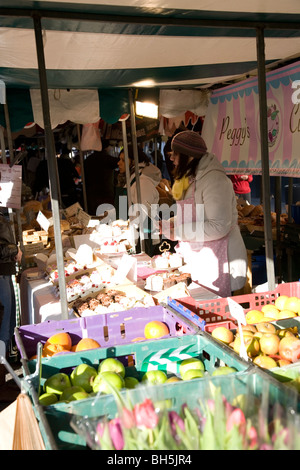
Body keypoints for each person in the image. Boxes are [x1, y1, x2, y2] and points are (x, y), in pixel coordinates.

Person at [160, 130, 247, 297]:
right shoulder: (189, 177)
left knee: (216, 313)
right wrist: (172, 222)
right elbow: (194, 212)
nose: (171, 159)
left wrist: (178, 232)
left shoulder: (214, 180)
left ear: (189, 156)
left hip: (220, 260)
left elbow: (218, 226)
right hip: (200, 256)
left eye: (176, 154)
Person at [116, 145, 162, 256]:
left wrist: (133, 238)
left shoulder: (142, 181)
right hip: (131, 235)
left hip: (143, 238)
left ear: (133, 161)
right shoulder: (131, 179)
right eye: (119, 159)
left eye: (123, 160)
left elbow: (144, 215)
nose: (118, 163)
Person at [0, 210, 22, 383]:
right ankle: (1, 381)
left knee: (6, 324)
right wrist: (14, 250)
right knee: (3, 325)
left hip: (4, 272)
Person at [84, 140, 119, 216]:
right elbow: (119, 163)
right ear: (106, 148)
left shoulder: (87, 160)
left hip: (91, 194)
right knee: (106, 218)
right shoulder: (108, 159)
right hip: (105, 193)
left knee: (94, 218)